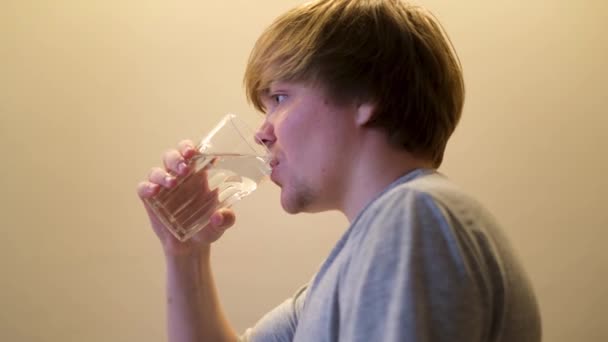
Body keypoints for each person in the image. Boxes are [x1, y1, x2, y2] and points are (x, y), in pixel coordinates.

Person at [137, 0, 542, 341]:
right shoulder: (355, 262)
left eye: (279, 97)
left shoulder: (414, 216)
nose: (262, 133)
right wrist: (185, 252)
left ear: (369, 96)